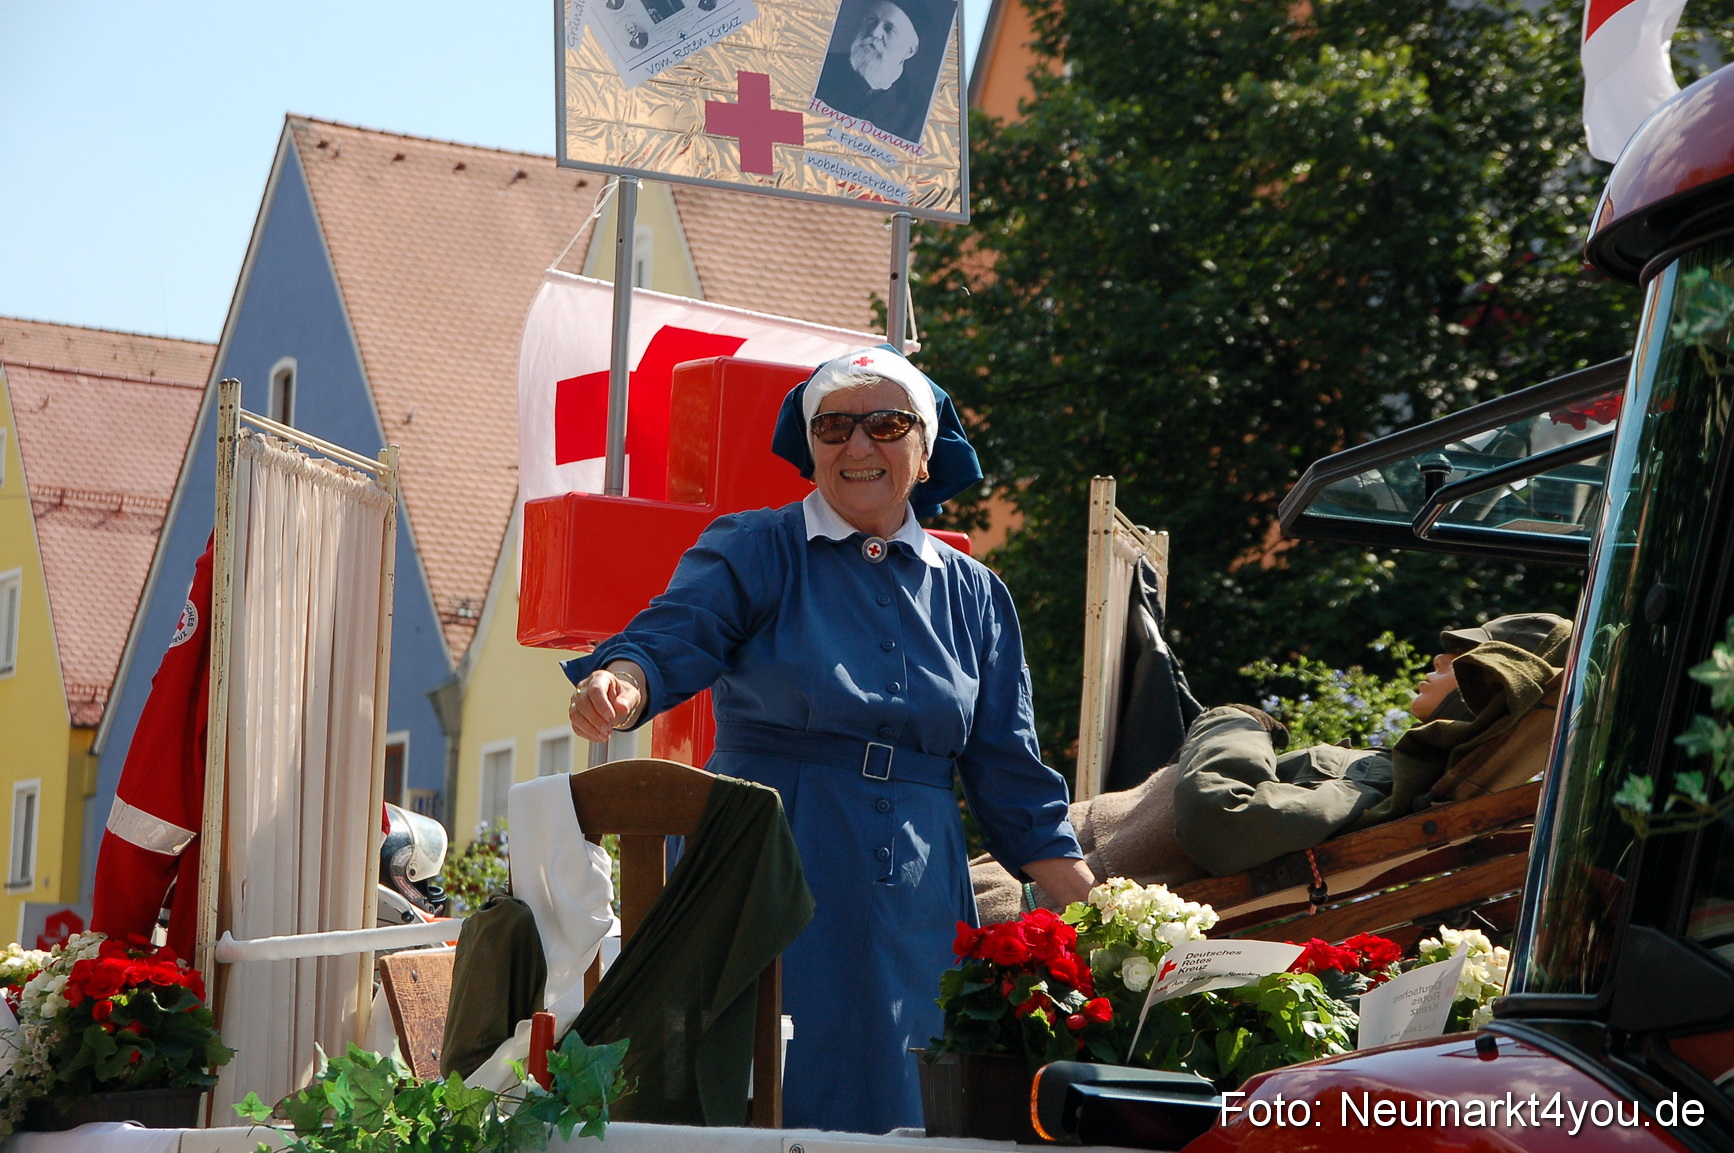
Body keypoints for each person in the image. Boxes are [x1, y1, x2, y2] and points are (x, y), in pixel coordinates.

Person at [565, 345, 1091, 1133]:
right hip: (766, 872)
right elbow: (676, 632)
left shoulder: (977, 596)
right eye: (834, 427)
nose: (858, 444)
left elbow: (1013, 782)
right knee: (765, 1092)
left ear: (926, 450)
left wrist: (1108, 916)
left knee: (909, 1099)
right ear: (810, 449)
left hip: (915, 899)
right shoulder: (756, 547)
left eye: (887, 425)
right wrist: (625, 679)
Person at [971, 612, 1572, 921]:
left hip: (1023, 899)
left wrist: (1234, 721)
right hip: (1036, 881)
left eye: (1461, 654)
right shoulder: (1395, 779)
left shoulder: (1382, 780)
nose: (1438, 657)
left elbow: (1224, 817)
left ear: (1485, 685)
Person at [813, 0, 932, 144]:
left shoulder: (917, 111)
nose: (875, 32)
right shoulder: (825, 66)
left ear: (910, 51)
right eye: (871, 19)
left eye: (889, 29)